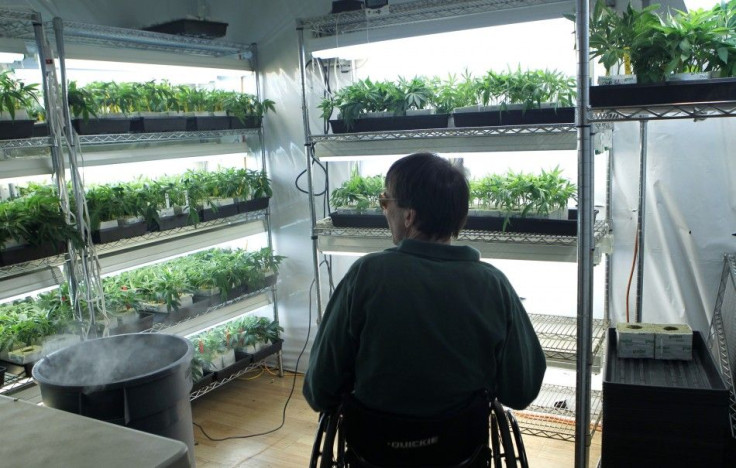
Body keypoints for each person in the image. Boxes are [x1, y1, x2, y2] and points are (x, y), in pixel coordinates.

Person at [303, 152, 546, 418]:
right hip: (460, 448)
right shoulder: (493, 284)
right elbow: (521, 390)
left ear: (409, 216)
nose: (384, 210)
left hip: (376, 448)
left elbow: (319, 388)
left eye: (385, 201)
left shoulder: (365, 275)